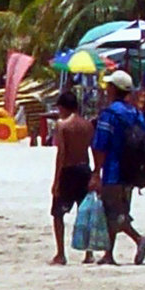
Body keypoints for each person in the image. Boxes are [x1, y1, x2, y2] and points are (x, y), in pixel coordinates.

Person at [92, 70, 145, 266]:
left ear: (113, 89)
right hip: (132, 170)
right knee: (118, 210)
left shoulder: (109, 114)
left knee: (113, 212)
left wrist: (96, 172)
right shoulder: (135, 113)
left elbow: (100, 145)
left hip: (114, 170)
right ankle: (109, 254)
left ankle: (138, 238)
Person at [50, 91, 95, 265]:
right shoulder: (88, 125)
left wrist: (56, 181)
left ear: (62, 107)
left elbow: (62, 154)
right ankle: (89, 253)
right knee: (84, 212)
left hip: (68, 171)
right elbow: (91, 150)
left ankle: (61, 253)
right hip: (85, 169)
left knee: (58, 214)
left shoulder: (62, 125)